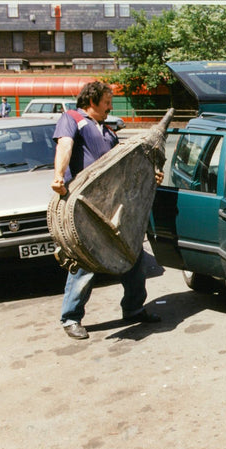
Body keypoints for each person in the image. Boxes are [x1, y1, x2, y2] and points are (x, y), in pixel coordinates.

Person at [51, 81, 163, 340]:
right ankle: (70, 318)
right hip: (83, 208)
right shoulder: (72, 119)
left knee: (133, 255)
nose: (110, 106)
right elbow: (65, 146)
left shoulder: (109, 131)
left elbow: (125, 166)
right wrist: (59, 176)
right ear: (92, 101)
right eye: (107, 102)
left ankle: (134, 308)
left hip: (111, 205)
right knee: (84, 262)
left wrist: (150, 175)